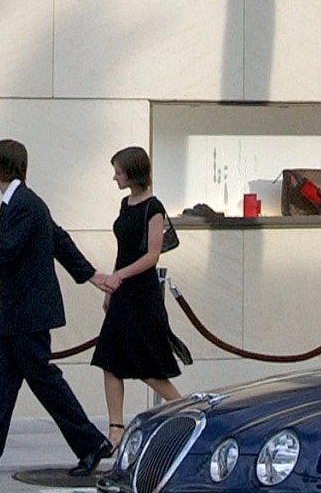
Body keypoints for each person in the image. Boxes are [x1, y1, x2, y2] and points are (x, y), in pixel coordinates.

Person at [0, 139, 109, 478]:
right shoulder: (25, 202)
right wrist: (90, 275)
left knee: (44, 380)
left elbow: (6, 252)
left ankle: (90, 443)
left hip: (26, 312)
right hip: (15, 312)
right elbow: (59, 239)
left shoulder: (24, 204)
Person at [89, 147, 183, 446]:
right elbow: (124, 250)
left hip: (142, 293)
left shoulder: (153, 207)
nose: (115, 176)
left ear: (133, 172)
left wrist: (120, 276)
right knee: (110, 359)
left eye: (119, 171)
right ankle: (115, 428)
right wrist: (112, 288)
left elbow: (151, 256)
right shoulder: (125, 203)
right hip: (123, 292)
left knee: (147, 366)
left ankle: (186, 410)